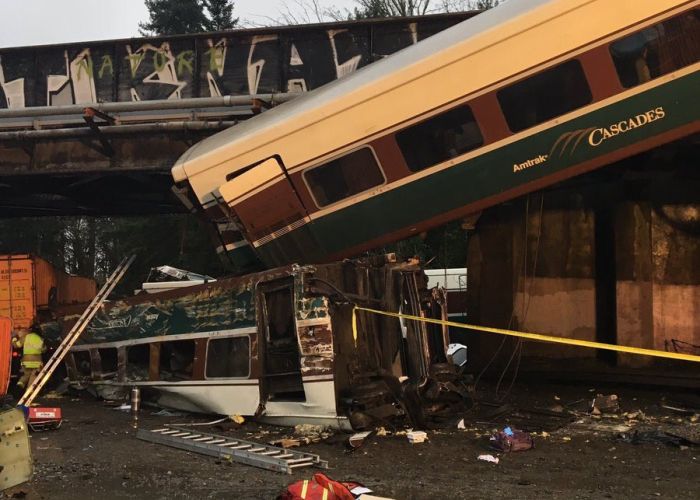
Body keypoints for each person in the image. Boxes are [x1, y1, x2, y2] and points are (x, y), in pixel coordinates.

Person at [12, 325, 45, 392]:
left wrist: (14, 339)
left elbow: (17, 345)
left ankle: (19, 385)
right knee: (34, 376)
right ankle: (29, 390)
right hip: (37, 361)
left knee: (26, 375)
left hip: (26, 360)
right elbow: (44, 350)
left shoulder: (26, 337)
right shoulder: (40, 338)